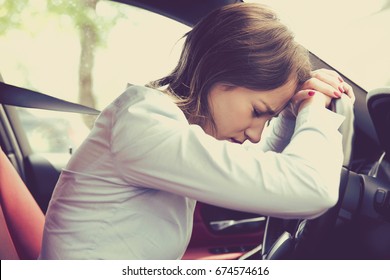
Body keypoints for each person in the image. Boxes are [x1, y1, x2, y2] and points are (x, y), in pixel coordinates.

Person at [39, 3, 354, 259]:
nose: (256, 134)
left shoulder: (169, 127)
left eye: (266, 119)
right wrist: (314, 110)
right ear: (218, 73)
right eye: (257, 111)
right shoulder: (142, 122)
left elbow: (258, 170)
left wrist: (288, 115)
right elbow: (313, 189)